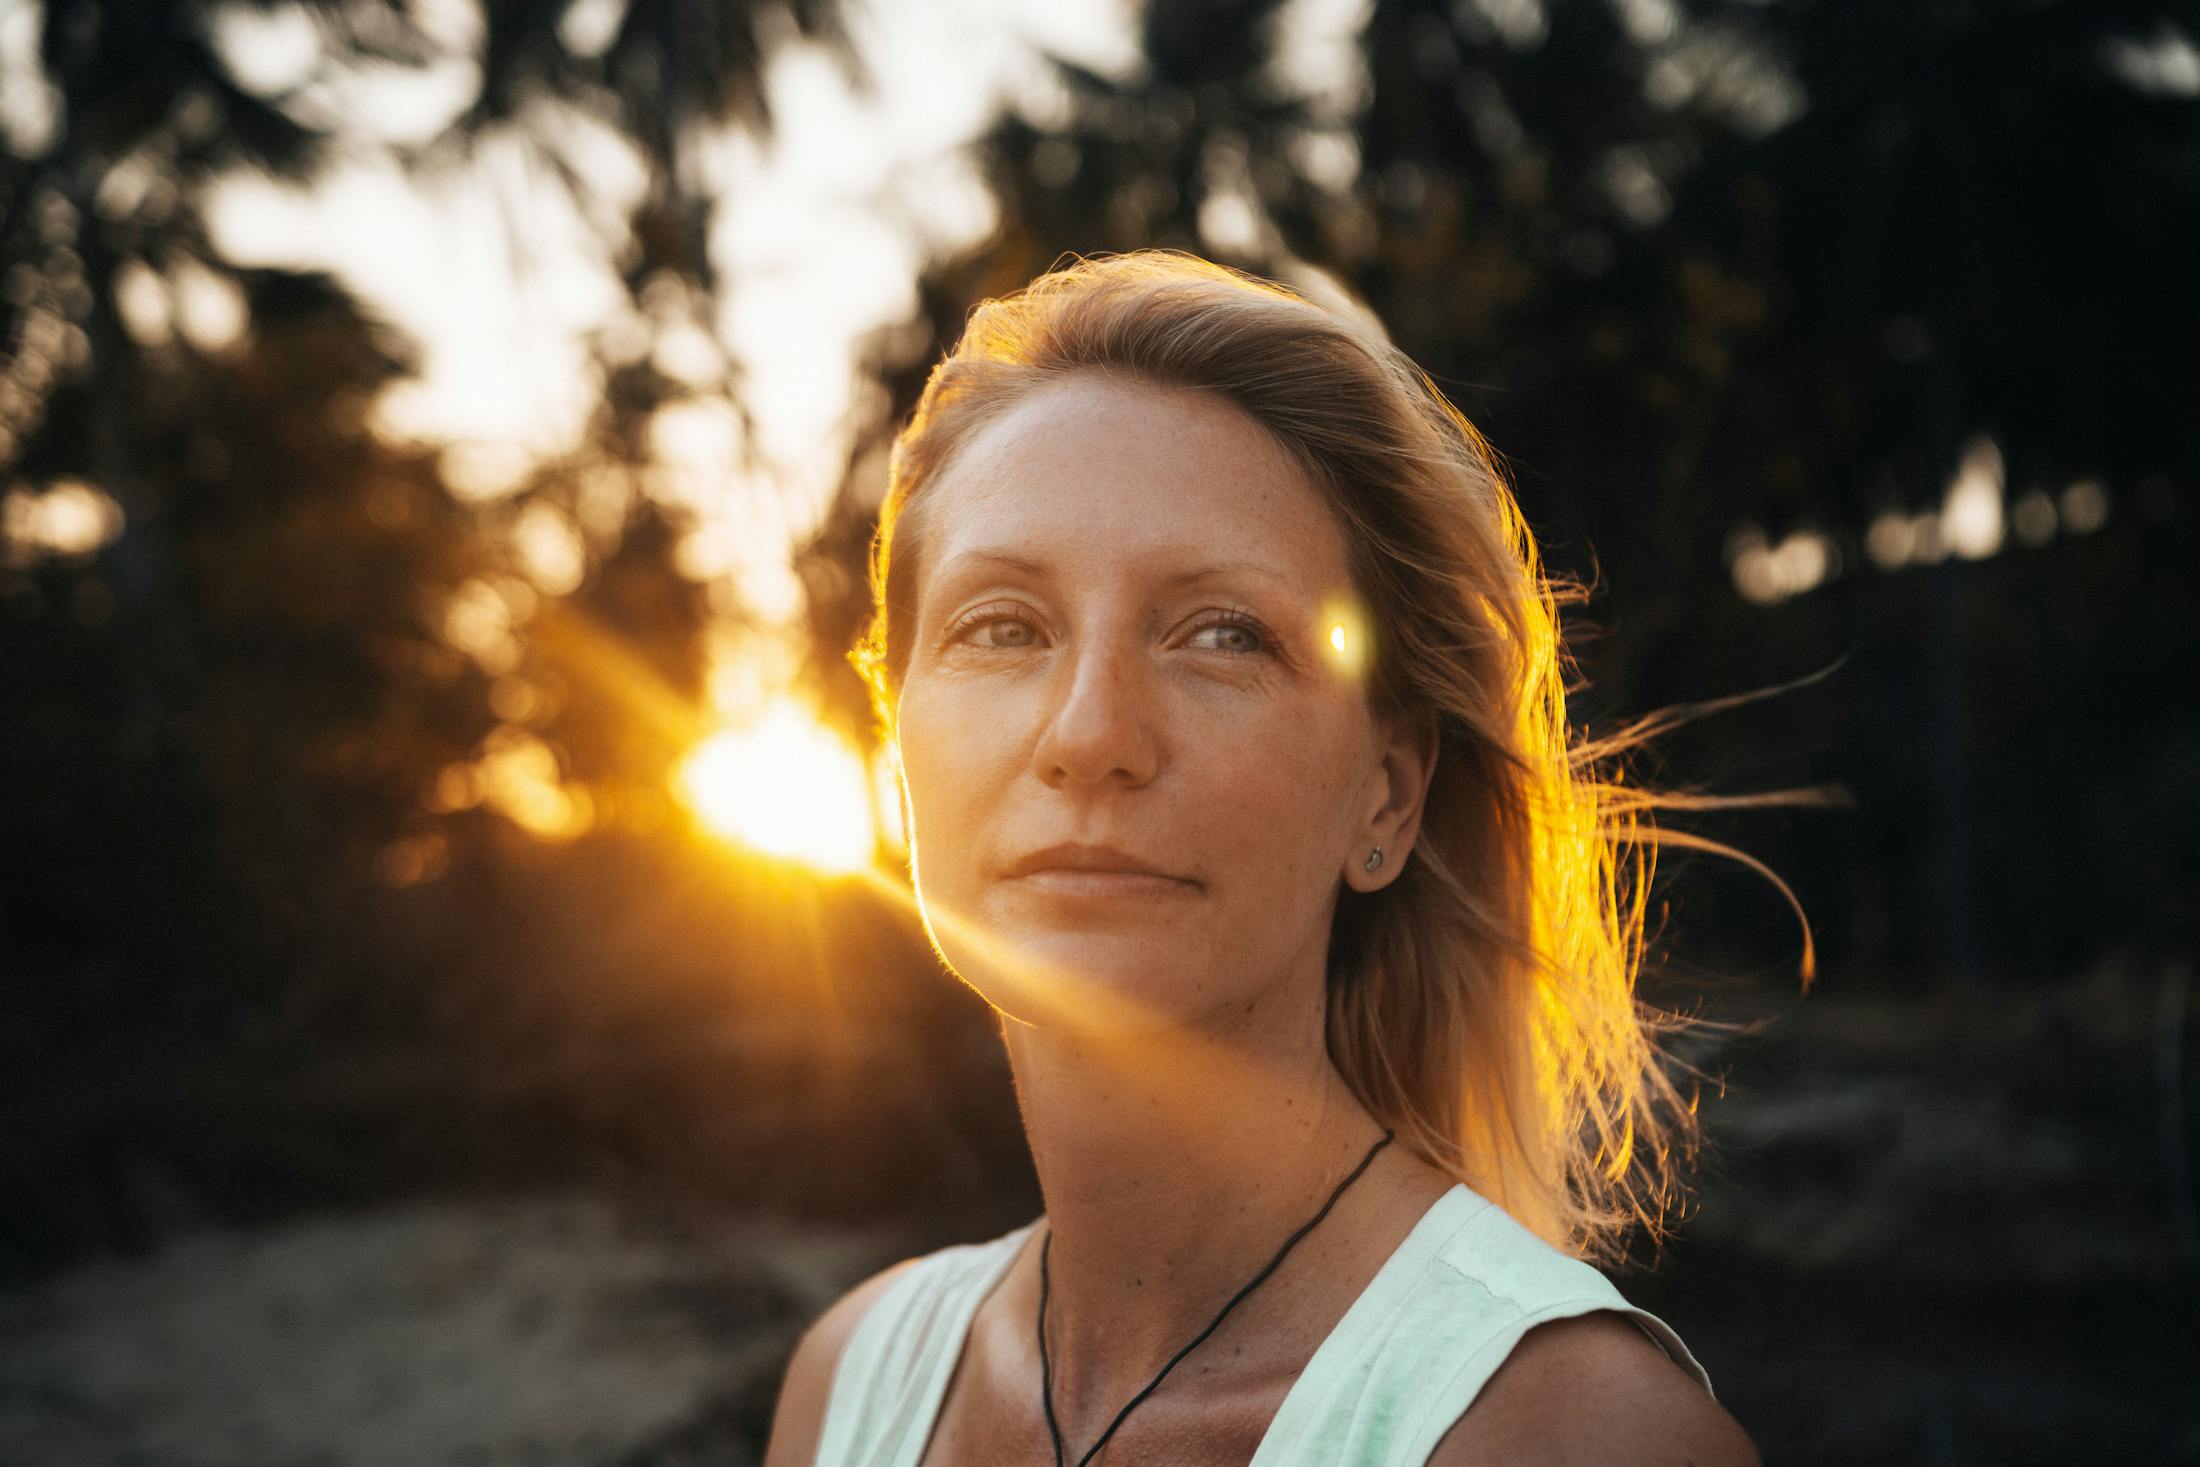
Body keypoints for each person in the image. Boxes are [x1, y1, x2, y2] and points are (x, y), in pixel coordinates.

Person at [765, 250, 1785, 1466]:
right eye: (1002, 627)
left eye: (1221, 634)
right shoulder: (849, 1384)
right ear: (895, 748)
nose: (1089, 733)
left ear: (1388, 798)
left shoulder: (1573, 1437)